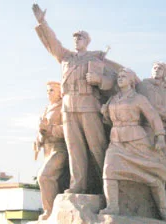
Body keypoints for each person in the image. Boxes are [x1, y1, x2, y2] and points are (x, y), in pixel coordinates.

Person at [32, 4, 117, 193]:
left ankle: (107, 186)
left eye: (81, 37)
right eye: (75, 38)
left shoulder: (96, 59)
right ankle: (78, 185)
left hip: (89, 106)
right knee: (74, 149)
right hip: (69, 108)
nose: (77, 40)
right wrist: (42, 22)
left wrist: (99, 80)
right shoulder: (65, 57)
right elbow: (52, 43)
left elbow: (113, 81)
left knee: (97, 148)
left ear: (87, 41)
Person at [99, 68, 166, 222]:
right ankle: (112, 206)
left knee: (153, 175)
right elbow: (108, 121)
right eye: (118, 76)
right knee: (108, 170)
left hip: (137, 141)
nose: (120, 78)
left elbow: (153, 117)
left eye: (124, 76)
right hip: (116, 141)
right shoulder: (113, 99)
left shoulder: (139, 98)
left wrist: (160, 136)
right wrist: (105, 112)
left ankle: (164, 211)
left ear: (131, 81)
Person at [35, 81, 68, 220]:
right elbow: (42, 129)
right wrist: (40, 135)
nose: (49, 93)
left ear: (60, 92)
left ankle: (49, 211)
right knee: (53, 180)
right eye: (47, 91)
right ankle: (51, 211)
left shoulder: (63, 107)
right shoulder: (47, 108)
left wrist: (49, 129)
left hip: (59, 148)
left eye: (52, 90)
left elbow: (68, 128)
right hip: (47, 149)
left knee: (44, 177)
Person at [136, 61, 166, 149]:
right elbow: (150, 106)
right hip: (150, 127)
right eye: (155, 68)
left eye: (160, 68)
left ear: (164, 73)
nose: (157, 70)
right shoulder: (145, 85)